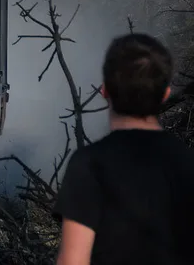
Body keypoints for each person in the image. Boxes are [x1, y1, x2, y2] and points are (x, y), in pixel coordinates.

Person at [53, 33, 194, 265]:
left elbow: (73, 260)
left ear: (104, 90)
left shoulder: (89, 165)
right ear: (166, 95)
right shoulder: (187, 161)